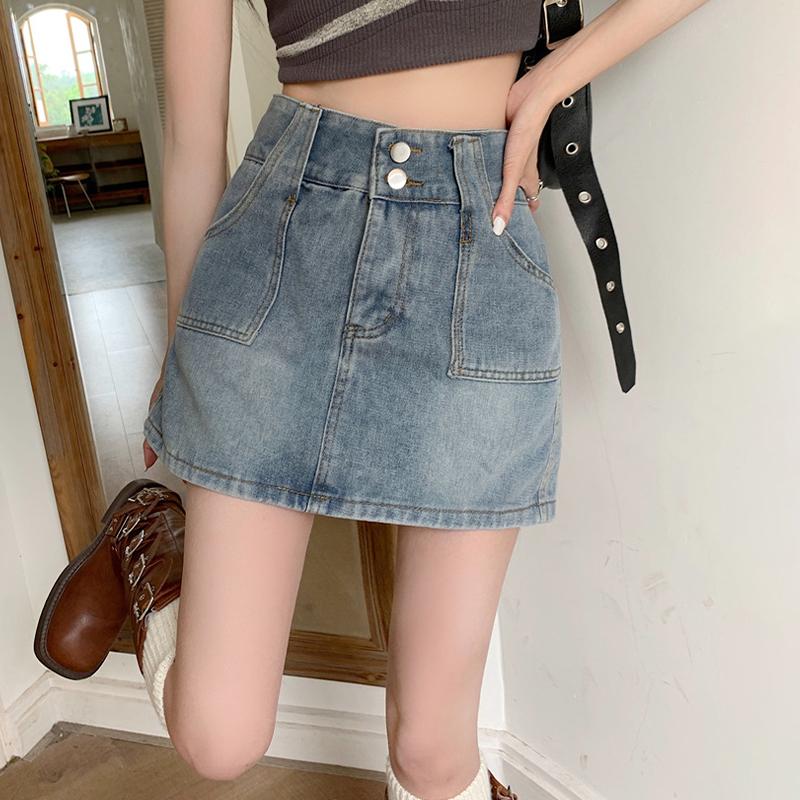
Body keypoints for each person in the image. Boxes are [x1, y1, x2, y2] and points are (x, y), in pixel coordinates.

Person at [35, 0, 713, 797]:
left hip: (477, 242)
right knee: (219, 739)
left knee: (431, 752)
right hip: (283, 240)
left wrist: (552, 79)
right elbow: (190, 140)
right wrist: (185, 365)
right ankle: (147, 530)